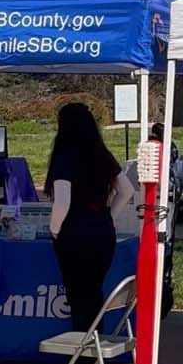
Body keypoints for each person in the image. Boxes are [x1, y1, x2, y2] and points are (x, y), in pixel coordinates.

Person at [46, 102, 134, 333]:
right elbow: (127, 190)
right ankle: (94, 347)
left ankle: (82, 350)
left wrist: (54, 229)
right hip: (102, 231)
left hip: (74, 232)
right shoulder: (102, 154)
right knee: (94, 293)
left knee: (78, 297)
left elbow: (62, 201)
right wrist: (109, 216)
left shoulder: (63, 157)